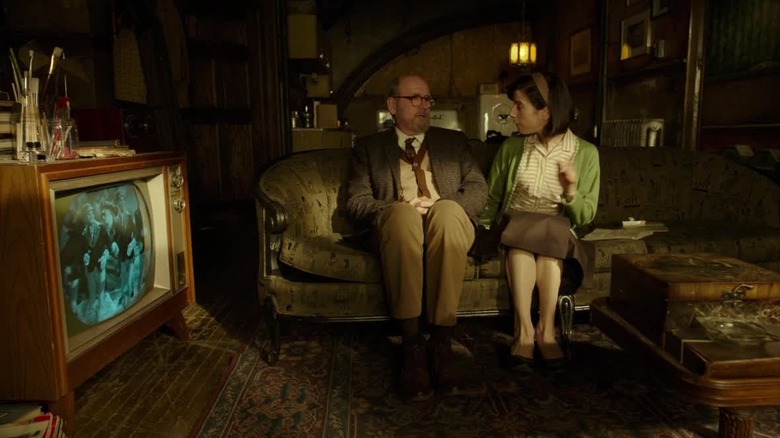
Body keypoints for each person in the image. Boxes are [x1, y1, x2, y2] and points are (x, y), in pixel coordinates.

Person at [347, 74, 488, 401]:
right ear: (392, 105)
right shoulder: (369, 147)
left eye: (427, 98)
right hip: (398, 225)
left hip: (448, 222)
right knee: (402, 216)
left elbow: (478, 188)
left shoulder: (453, 141)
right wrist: (399, 207)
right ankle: (412, 346)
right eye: (415, 98)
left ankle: (441, 344)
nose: (424, 105)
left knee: (448, 212)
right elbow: (356, 201)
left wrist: (442, 205)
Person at [479, 72, 600, 369]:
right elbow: (492, 199)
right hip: (514, 229)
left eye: (519, 106)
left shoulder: (586, 153)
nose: (512, 113)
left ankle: (546, 330)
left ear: (545, 111)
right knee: (522, 245)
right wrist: (483, 229)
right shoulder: (512, 148)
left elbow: (585, 216)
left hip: (556, 233)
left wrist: (570, 191)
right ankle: (525, 330)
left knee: (549, 243)